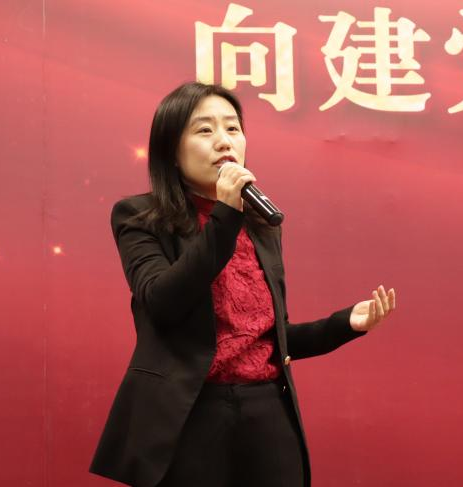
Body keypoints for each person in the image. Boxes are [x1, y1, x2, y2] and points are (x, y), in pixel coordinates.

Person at [89, 82, 397, 487]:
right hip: (190, 415)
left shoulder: (261, 224)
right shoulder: (139, 216)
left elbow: (267, 339)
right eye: (205, 130)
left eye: (232, 128)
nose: (224, 141)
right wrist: (224, 214)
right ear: (172, 151)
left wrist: (346, 323)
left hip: (267, 410)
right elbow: (163, 302)